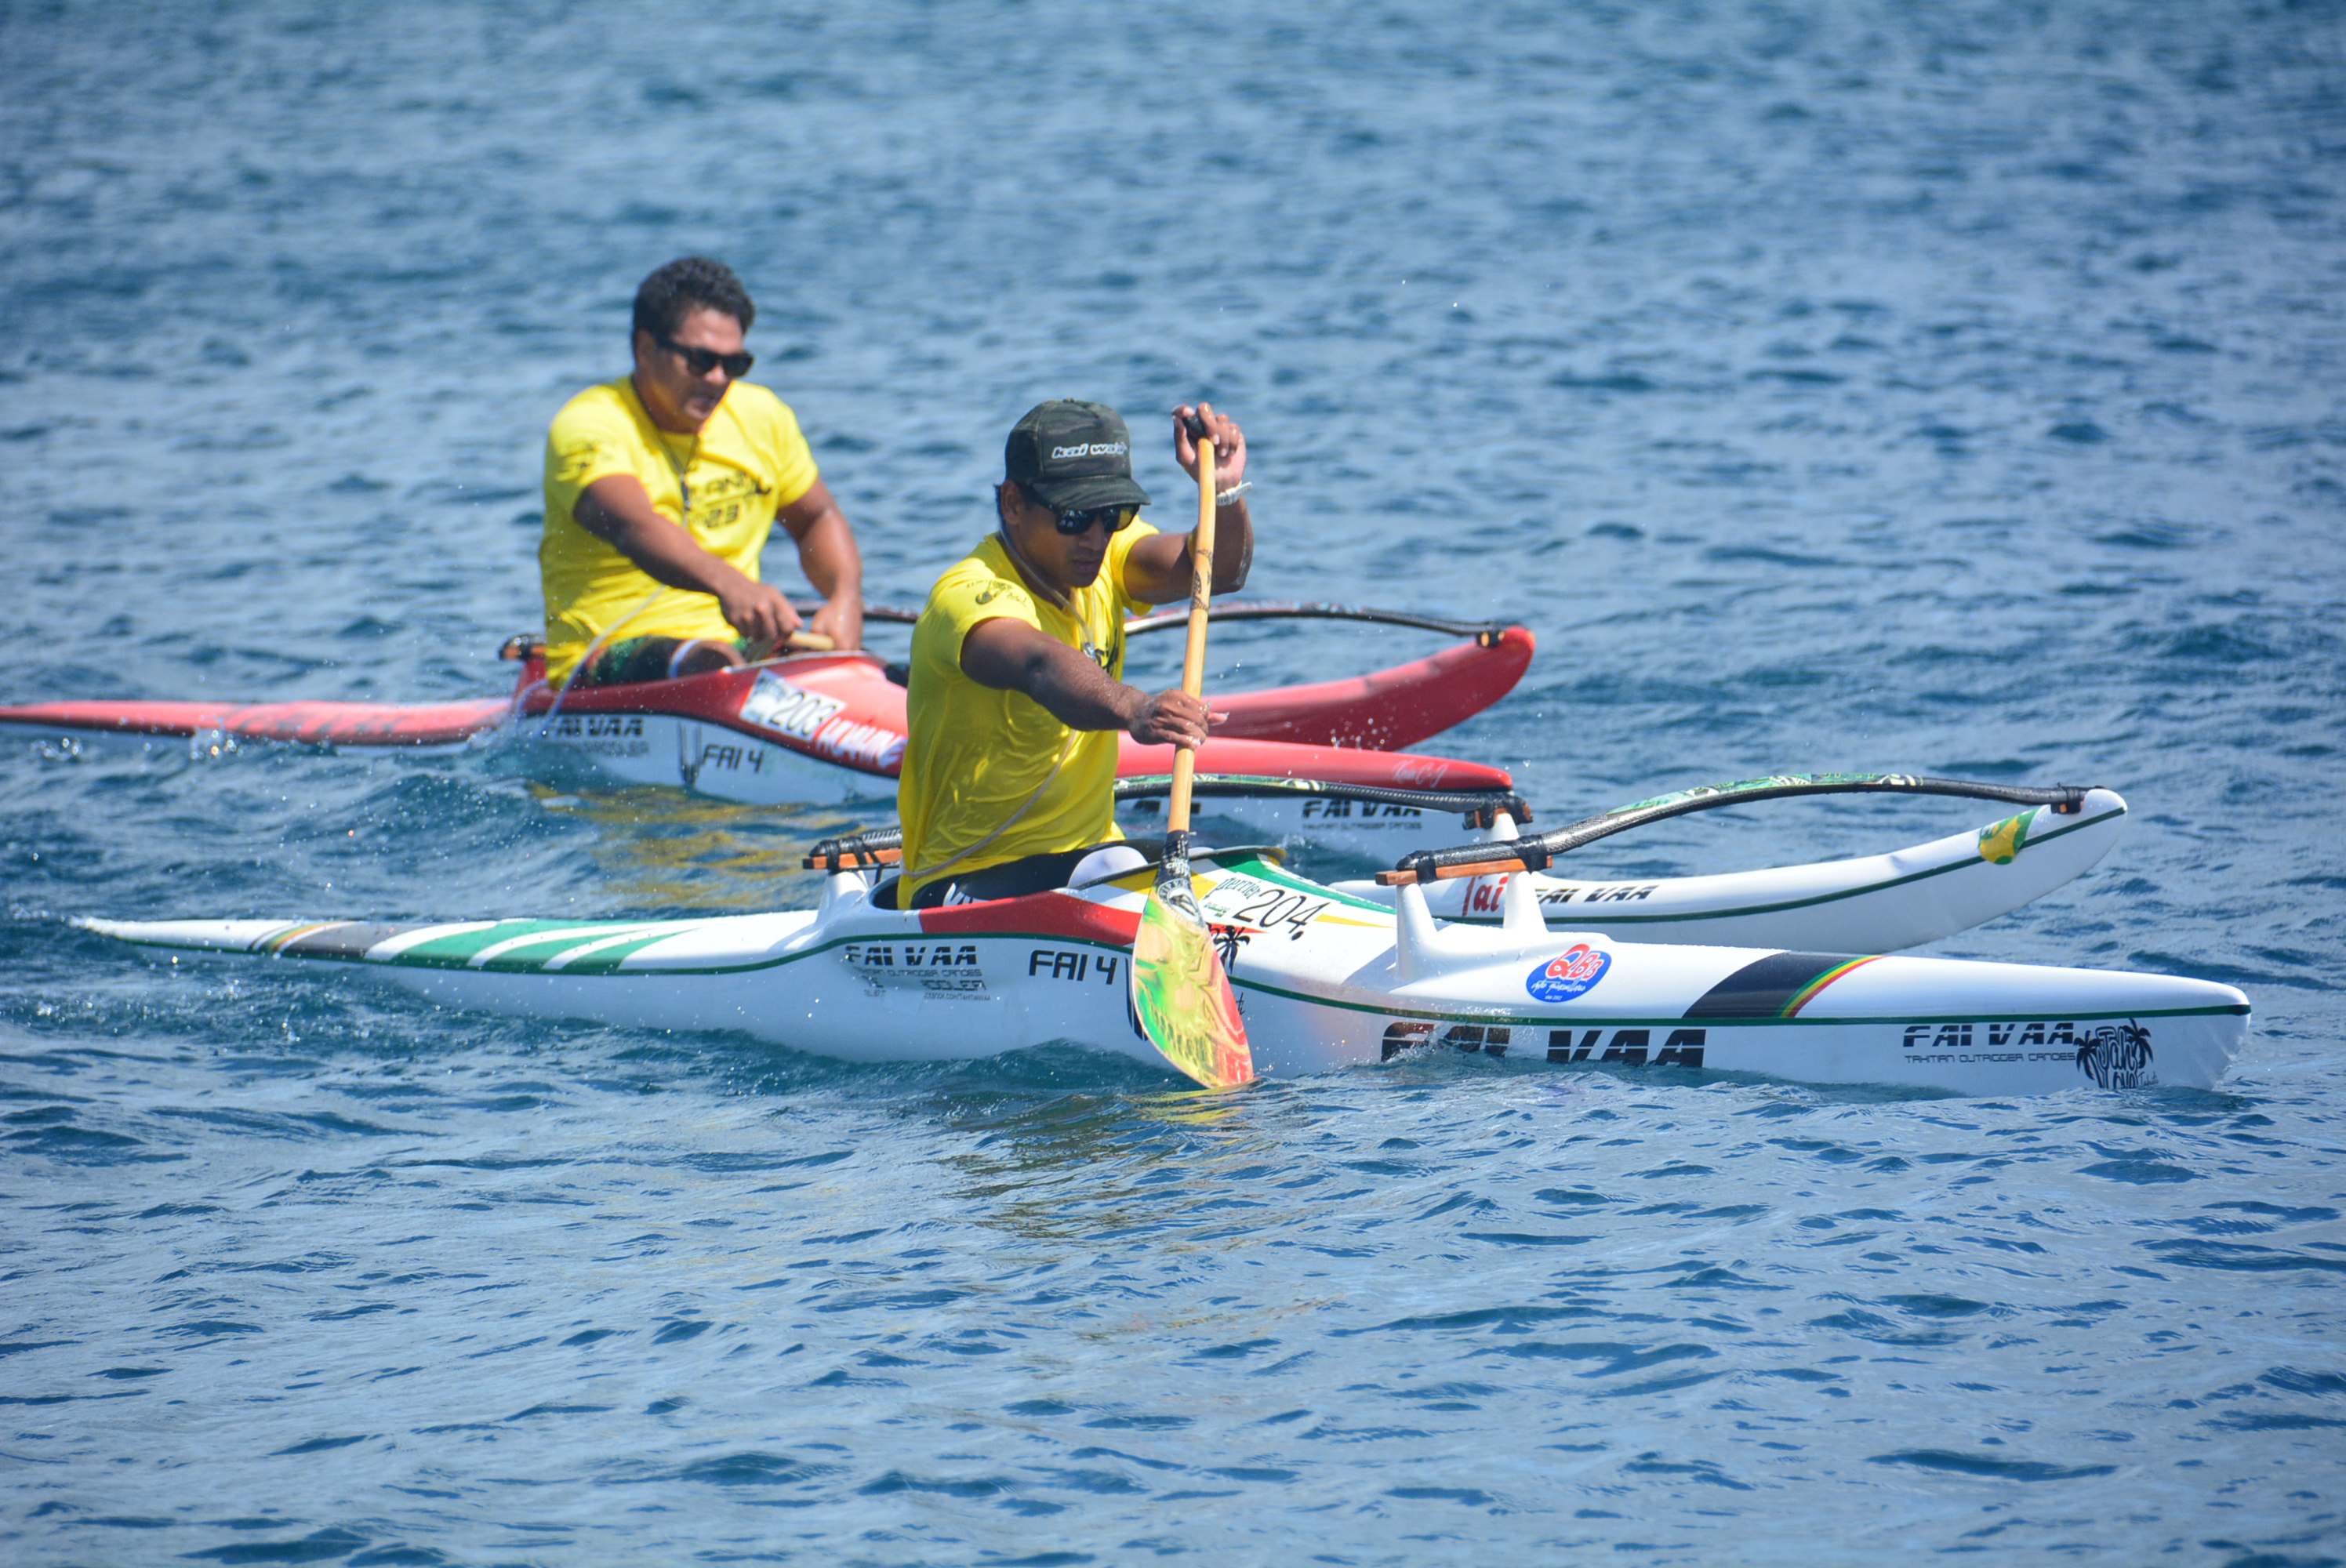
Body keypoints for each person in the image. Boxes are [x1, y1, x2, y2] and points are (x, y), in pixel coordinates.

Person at [894, 397, 1251, 909]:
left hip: (1092, 858)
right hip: (961, 881)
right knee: (1125, 871)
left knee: (1223, 867)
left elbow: (1218, 571)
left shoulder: (1108, 555)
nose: (1096, 538)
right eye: (1076, 516)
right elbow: (1039, 665)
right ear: (1014, 504)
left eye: (1114, 515)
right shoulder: (968, 596)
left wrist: (1224, 490)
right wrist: (1135, 707)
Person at [538, 256, 865, 688]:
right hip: (604, 658)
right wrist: (731, 585)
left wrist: (845, 599)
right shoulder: (590, 426)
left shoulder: (762, 415)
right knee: (711, 662)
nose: (716, 379)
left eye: (734, 365)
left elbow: (816, 519)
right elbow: (633, 526)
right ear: (644, 349)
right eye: (699, 360)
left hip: (733, 649)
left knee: (829, 663)